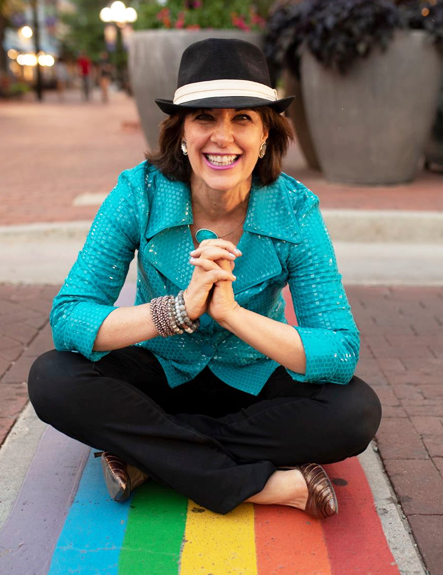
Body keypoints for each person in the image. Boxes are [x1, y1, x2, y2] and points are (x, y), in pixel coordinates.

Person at [28, 39, 382, 518]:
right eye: (205, 118)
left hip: (254, 380)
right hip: (159, 375)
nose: (223, 136)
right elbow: (70, 316)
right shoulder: (139, 193)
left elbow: (339, 350)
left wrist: (231, 314)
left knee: (355, 411)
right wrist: (176, 310)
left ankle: (151, 456)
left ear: (264, 138)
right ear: (180, 133)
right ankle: (262, 484)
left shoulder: (295, 209)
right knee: (53, 377)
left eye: (242, 119)